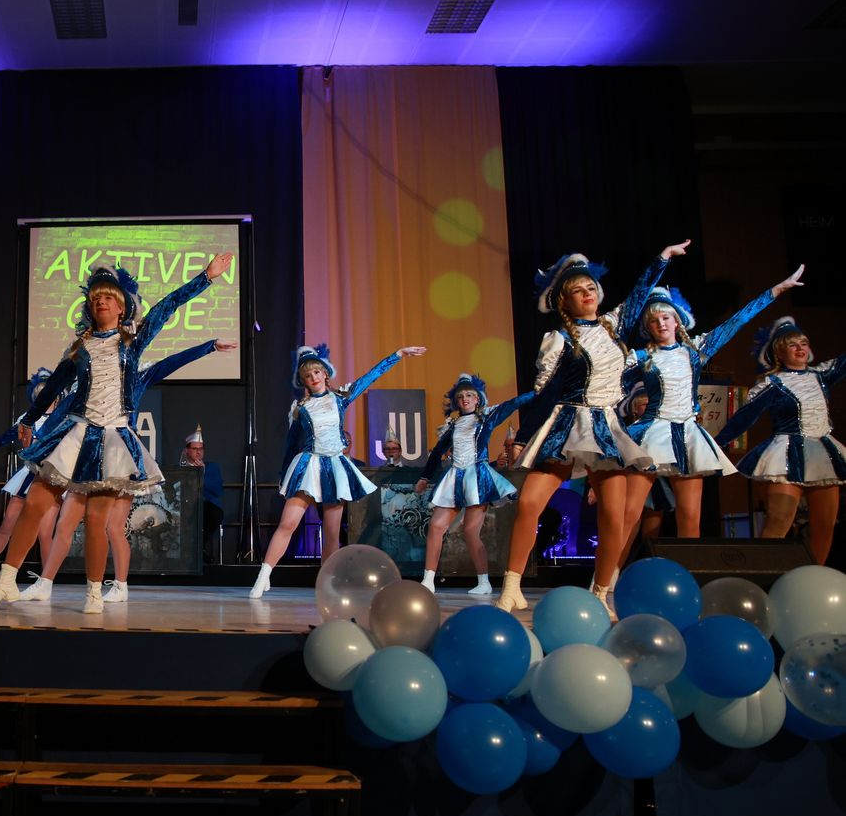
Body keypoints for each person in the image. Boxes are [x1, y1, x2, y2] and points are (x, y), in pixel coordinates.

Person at [0, 255, 233, 614]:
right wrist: (29, 420)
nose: (101, 302)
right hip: (76, 434)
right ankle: (6, 580)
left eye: (109, 297)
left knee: (97, 520)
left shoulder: (132, 342)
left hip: (113, 440)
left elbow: (167, 306)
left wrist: (206, 277)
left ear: (122, 306)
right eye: (96, 297)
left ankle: (95, 593)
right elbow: (54, 387)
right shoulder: (79, 348)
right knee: (34, 503)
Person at [498, 240, 690, 616]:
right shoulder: (558, 339)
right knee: (530, 502)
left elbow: (638, 295)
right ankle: (511, 586)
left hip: (605, 426)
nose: (587, 293)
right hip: (567, 423)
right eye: (577, 290)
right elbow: (544, 392)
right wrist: (522, 437)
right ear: (564, 301)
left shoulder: (613, 326)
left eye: (591, 287)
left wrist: (662, 258)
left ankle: (602, 593)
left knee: (614, 516)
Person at [26, 340, 234, 605]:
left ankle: (120, 586)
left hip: (121, 454)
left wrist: (210, 346)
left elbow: (172, 362)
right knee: (66, 522)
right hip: (89, 453)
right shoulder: (91, 376)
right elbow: (64, 410)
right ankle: (45, 583)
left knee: (114, 526)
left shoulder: (137, 376)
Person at [620, 268, 805, 546]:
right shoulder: (642, 357)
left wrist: (775, 291)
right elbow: (609, 383)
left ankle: (689, 571)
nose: (661, 324)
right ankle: (610, 571)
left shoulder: (695, 351)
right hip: (651, 434)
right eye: (654, 320)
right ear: (648, 326)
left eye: (666, 317)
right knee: (629, 514)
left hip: (688, 436)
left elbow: (737, 321)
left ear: (677, 320)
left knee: (690, 517)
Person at [250, 341, 427, 598]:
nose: (313, 377)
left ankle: (327, 584)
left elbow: (370, 376)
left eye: (316, 372)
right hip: (308, 465)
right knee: (288, 523)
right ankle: (264, 576)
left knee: (332, 532)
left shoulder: (341, 398)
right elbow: (291, 444)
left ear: (325, 373)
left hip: (334, 467)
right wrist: (285, 475)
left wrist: (398, 354)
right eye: (308, 375)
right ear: (304, 381)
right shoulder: (301, 409)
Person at [714, 315, 845, 564]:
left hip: (823, 455)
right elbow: (744, 418)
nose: (800, 348)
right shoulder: (772, 384)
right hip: (786, 454)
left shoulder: (821, 375)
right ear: (779, 353)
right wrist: (715, 444)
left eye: (803, 343)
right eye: (792, 344)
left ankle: (814, 577)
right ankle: (763, 576)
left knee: (824, 526)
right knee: (779, 521)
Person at [413, 373, 534, 595]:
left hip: (477, 478)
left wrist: (538, 393)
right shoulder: (453, 425)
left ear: (477, 399)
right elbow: (438, 452)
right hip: (454, 477)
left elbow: (513, 403)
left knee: (470, 531)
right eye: (460, 397)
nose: (465, 399)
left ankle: (484, 582)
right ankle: (428, 580)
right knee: (436, 526)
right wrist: (424, 477)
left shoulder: (487, 417)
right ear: (456, 402)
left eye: (469, 395)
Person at [0, 367, 65, 590]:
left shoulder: (63, 419)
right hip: (28, 475)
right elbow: (5, 437)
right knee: (7, 525)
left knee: (45, 533)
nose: (43, 395)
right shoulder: (27, 418)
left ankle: (46, 582)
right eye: (39, 392)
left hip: (51, 478)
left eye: (47, 391)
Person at [179, 424, 225, 563]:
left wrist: (202, 474)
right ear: (187, 451)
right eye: (195, 449)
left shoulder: (211, 467)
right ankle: (196, 552)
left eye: (201, 449)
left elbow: (217, 490)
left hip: (207, 506)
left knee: (212, 513)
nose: (198, 452)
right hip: (185, 506)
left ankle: (198, 549)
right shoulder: (181, 469)